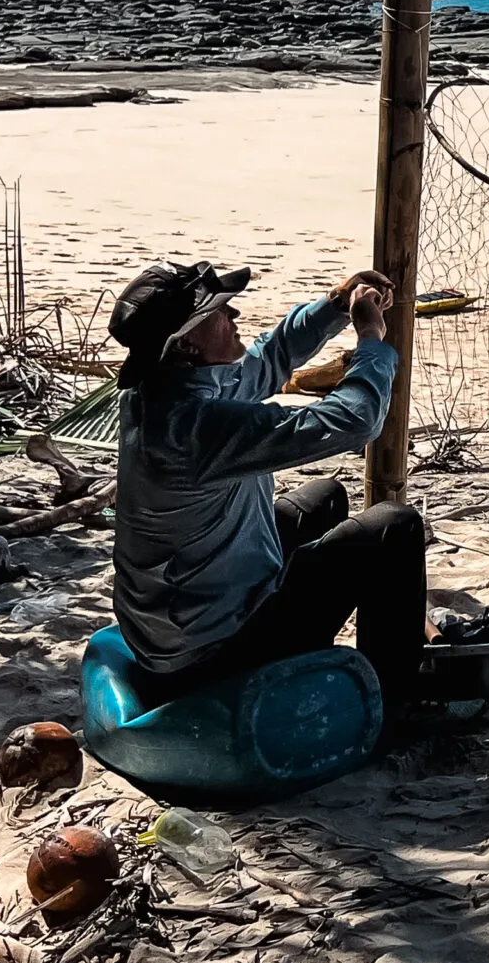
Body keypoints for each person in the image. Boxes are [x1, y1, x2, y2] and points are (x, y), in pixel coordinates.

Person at [106, 259, 427, 712]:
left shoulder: (165, 388)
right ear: (186, 345)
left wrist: (335, 304)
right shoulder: (191, 428)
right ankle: (393, 707)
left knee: (325, 498)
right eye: (220, 312)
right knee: (396, 526)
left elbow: (266, 360)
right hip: (208, 654)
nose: (233, 316)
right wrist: (371, 343)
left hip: (175, 620)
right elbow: (355, 421)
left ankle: (308, 656)